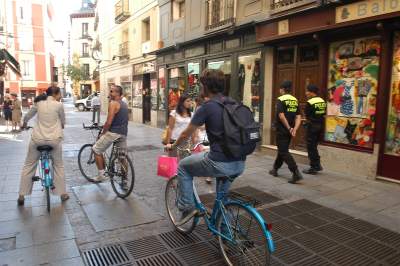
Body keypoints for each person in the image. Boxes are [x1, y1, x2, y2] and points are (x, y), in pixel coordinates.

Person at [165, 69, 245, 218]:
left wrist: (173, 146)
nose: (201, 89)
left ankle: (186, 206)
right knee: (222, 199)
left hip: (219, 161)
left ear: (206, 87)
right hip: (239, 162)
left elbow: (185, 134)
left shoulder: (207, 107)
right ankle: (225, 231)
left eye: (202, 85)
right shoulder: (233, 103)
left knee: (183, 167)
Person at [18, 86, 68, 205]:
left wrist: (24, 124)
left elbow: (27, 116)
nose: (60, 96)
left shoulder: (38, 103)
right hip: (54, 141)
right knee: (58, 165)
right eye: (59, 94)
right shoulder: (58, 105)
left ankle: (21, 195)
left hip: (38, 140)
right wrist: (61, 125)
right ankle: (62, 194)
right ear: (55, 94)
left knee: (29, 164)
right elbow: (63, 121)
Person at [269, 81, 303, 184]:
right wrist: (295, 129)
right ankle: (275, 169)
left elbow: (281, 115)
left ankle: (295, 172)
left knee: (283, 151)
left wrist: (288, 127)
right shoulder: (294, 100)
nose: (279, 90)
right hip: (290, 130)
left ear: (283, 89)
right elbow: (298, 116)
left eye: (280, 88)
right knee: (282, 150)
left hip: (283, 130)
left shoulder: (281, 99)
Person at [92, 85, 128, 181]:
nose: (109, 93)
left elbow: (109, 121)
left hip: (113, 133)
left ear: (117, 93)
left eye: (111, 91)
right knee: (122, 157)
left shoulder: (113, 103)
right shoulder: (124, 104)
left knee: (96, 149)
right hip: (123, 133)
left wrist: (102, 133)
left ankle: (101, 175)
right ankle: (124, 179)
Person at [303, 84, 326, 174]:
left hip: (312, 127)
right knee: (314, 146)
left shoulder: (310, 102)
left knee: (311, 147)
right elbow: (323, 113)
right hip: (320, 126)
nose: (306, 93)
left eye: (307, 91)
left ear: (312, 92)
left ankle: (314, 167)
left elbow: (307, 115)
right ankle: (317, 164)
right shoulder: (322, 101)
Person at [165, 94, 193, 158]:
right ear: (182, 102)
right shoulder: (174, 113)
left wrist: (193, 143)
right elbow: (170, 129)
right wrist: (168, 143)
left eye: (190, 101)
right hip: (174, 141)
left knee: (184, 163)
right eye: (187, 101)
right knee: (173, 162)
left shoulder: (191, 114)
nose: (190, 103)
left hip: (186, 142)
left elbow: (192, 129)